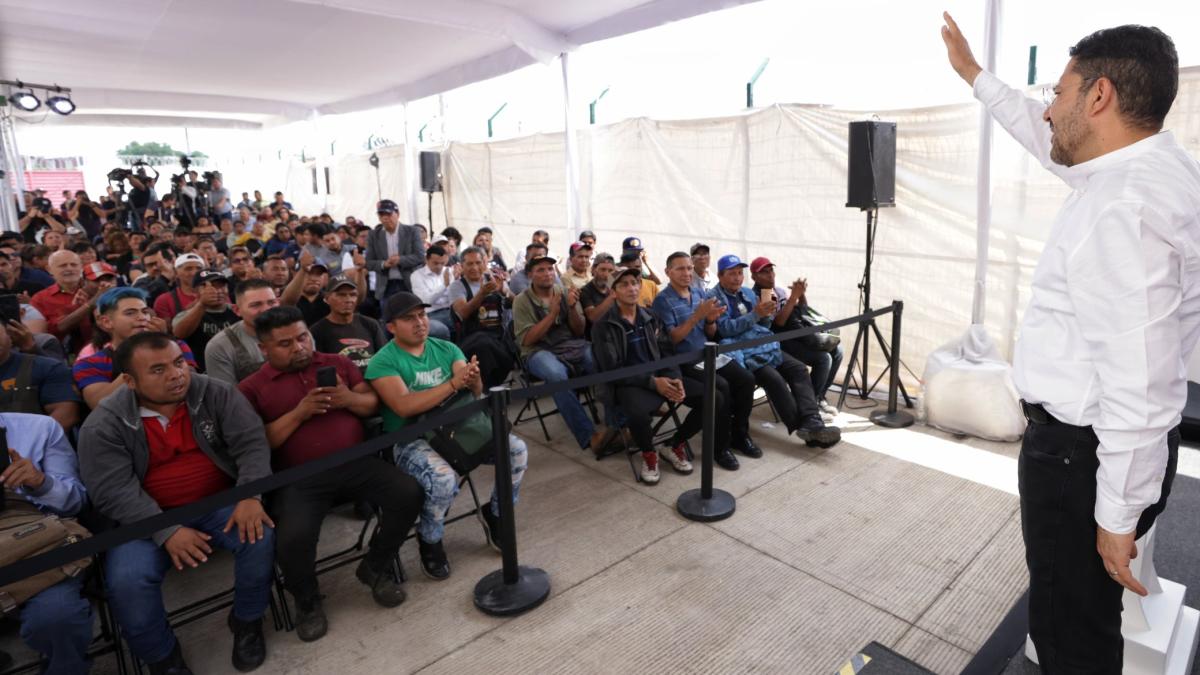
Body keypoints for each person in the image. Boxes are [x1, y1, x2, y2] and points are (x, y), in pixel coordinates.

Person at [942, 16, 1198, 670]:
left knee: (1069, 631)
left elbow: (1138, 384)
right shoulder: (1144, 170)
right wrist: (976, 76)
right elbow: (1042, 132)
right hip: (1099, 451)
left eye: (1058, 93)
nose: (1047, 110)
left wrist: (1114, 518)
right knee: (1079, 614)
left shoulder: (1122, 208)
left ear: (1100, 97)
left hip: (1077, 457)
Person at [78, 332, 275, 673]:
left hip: (218, 502)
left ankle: (247, 620)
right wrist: (166, 530)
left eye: (179, 362)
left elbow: (252, 444)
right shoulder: (104, 424)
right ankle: (162, 657)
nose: (176, 374)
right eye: (158, 370)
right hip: (143, 521)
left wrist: (249, 495)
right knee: (128, 580)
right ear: (129, 380)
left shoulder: (214, 392)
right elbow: (113, 492)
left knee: (258, 534)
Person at [238, 306, 422, 642]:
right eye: (285, 344)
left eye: (302, 337)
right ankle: (307, 600)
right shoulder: (252, 387)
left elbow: (371, 406)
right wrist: (300, 413)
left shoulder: (336, 363)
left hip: (356, 461)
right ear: (263, 349)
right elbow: (257, 445)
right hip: (298, 478)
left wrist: (348, 398)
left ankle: (376, 566)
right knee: (292, 537)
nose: (299, 347)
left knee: (408, 492)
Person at [366, 292, 528, 580]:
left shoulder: (446, 347)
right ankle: (430, 539)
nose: (419, 323)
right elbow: (404, 406)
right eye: (408, 318)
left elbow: (473, 392)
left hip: (458, 429)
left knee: (516, 450)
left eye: (422, 315)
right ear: (391, 327)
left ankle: (497, 514)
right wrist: (454, 383)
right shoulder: (383, 361)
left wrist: (474, 378)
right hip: (410, 438)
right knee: (443, 479)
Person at [593, 267, 727, 483]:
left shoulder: (650, 316)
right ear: (613, 291)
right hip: (629, 384)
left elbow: (667, 351)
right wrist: (654, 383)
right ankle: (649, 454)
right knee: (636, 413)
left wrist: (676, 378)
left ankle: (673, 445)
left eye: (635, 282)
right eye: (624, 284)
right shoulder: (603, 326)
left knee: (713, 397)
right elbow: (612, 370)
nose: (632, 288)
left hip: (660, 378)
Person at [711, 254, 840, 449]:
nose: (737, 277)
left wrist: (766, 314)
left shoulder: (747, 293)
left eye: (739, 273)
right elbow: (725, 330)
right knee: (775, 379)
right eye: (732, 274)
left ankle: (813, 421)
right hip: (742, 352)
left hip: (764, 345)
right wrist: (756, 314)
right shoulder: (714, 298)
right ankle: (806, 430)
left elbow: (765, 324)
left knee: (798, 369)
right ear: (720, 276)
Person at [0, 412, 91, 674]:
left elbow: (77, 502)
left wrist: (40, 482)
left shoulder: (38, 428)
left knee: (57, 616)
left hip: (34, 545)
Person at [651, 251, 755, 470]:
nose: (687, 273)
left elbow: (709, 333)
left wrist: (710, 320)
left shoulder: (699, 293)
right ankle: (720, 448)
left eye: (689, 268)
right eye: (680, 268)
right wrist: (697, 316)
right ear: (668, 272)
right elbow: (673, 339)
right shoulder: (662, 300)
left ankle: (740, 435)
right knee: (721, 389)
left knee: (745, 379)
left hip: (707, 354)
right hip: (683, 360)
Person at [513, 255, 606, 452]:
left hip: (571, 345)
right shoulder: (522, 300)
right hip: (537, 351)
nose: (547, 273)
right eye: (540, 270)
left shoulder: (564, 292)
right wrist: (553, 314)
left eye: (549, 269)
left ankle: (619, 423)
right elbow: (528, 340)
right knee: (556, 376)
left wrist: (571, 308)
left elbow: (579, 331)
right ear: (530, 274)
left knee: (601, 358)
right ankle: (589, 436)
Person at [73, 287, 197, 410]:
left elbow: (192, 387)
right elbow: (98, 404)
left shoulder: (178, 346)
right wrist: (139, 354)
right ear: (106, 322)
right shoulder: (89, 364)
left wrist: (161, 347)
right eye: (130, 313)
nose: (142, 317)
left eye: (144, 311)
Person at [750, 256, 842, 417]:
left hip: (796, 334)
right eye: (763, 272)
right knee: (823, 359)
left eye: (771, 270)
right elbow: (778, 323)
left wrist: (801, 295)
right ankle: (810, 406)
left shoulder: (778, 290)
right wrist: (793, 297)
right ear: (754, 277)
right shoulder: (757, 295)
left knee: (837, 351)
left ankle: (819, 396)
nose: (770, 274)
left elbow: (802, 311)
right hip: (778, 341)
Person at [449, 247, 515, 389]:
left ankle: (490, 392)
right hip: (471, 341)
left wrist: (504, 291)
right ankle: (487, 391)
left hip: (497, 340)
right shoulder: (457, 287)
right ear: (462, 266)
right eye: (470, 264)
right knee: (482, 344)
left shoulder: (495, 281)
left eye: (478, 263)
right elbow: (462, 313)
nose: (475, 267)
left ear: (485, 263)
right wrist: (481, 294)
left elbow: (517, 304)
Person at [0, 319, 80, 430]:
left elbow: (67, 415)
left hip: (35, 444)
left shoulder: (46, 368)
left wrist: (28, 442)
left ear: (9, 334)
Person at [31, 250, 112, 350]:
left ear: (81, 267)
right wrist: (91, 303)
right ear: (49, 269)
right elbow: (55, 330)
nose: (69, 268)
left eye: (74, 265)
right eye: (63, 265)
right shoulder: (40, 299)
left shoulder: (98, 288)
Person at [204, 279, 280, 385]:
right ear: (237, 310)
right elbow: (226, 397)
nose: (266, 309)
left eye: (271, 302)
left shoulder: (297, 332)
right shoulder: (220, 346)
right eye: (256, 305)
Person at [309, 275, 389, 373]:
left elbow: (386, 360)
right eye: (341, 295)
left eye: (353, 295)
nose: (348, 300)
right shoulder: (317, 331)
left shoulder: (370, 324)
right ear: (327, 298)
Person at [173, 270, 239, 372]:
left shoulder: (238, 310)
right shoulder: (185, 315)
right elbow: (179, 334)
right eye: (209, 287)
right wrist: (202, 304)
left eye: (221, 286)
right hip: (205, 372)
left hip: (238, 366)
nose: (217, 291)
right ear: (195, 292)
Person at [364, 199, 424, 301]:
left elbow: (420, 257)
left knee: (410, 315)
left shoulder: (412, 231)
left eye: (389, 214)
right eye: (381, 215)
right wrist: (384, 264)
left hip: (409, 283)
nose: (385, 218)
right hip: (386, 286)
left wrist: (400, 260)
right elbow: (369, 263)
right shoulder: (373, 235)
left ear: (398, 214)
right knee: (388, 316)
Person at [409, 245, 455, 339]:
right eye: (435, 263)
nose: (439, 267)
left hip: (451, 311)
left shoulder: (449, 271)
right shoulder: (417, 275)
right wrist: (444, 286)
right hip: (431, 314)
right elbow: (425, 301)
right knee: (441, 330)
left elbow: (454, 297)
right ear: (426, 259)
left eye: (442, 263)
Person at [153, 252, 206, 323]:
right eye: (188, 269)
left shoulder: (219, 294)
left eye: (199, 268)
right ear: (176, 273)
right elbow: (168, 331)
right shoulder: (164, 300)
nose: (194, 273)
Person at [579, 252, 617, 335]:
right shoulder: (585, 291)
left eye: (610, 270)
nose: (607, 274)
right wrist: (611, 298)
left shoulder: (614, 286)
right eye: (603, 269)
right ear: (593, 270)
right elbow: (593, 317)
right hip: (596, 336)